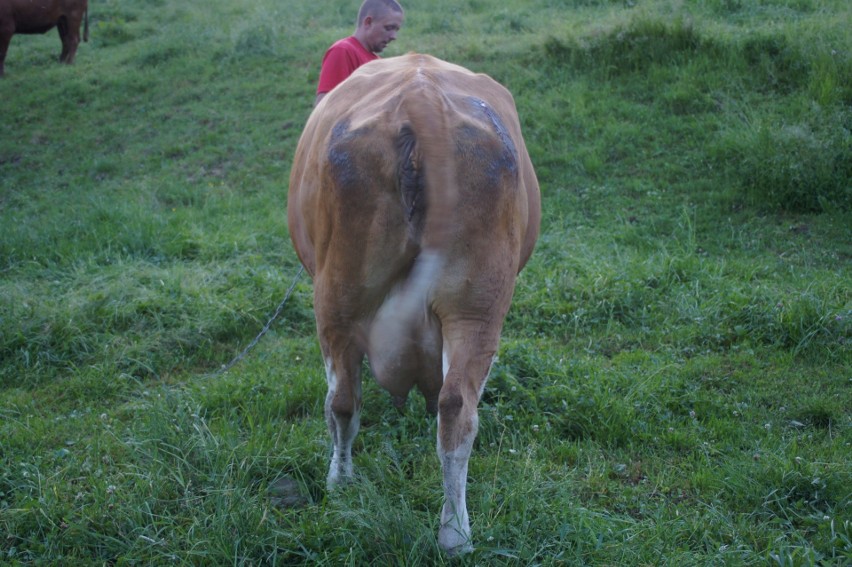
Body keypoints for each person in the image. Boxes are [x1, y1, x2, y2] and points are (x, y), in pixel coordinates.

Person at [315, 0, 404, 106]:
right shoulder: (343, 50)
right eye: (389, 28)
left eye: (396, 30)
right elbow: (325, 108)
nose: (394, 36)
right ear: (368, 22)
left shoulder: (378, 62)